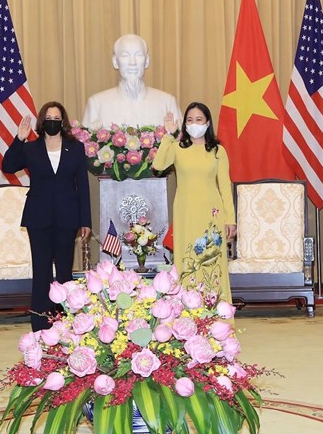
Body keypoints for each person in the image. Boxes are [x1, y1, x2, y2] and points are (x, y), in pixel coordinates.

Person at [2, 101, 91, 331]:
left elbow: (83, 185)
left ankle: (65, 323)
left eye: (56, 118)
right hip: (38, 218)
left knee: (64, 272)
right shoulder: (31, 148)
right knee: (41, 272)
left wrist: (85, 221)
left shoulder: (75, 148)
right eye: (49, 118)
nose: (52, 122)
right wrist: (19, 139)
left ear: (63, 122)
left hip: (67, 218)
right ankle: (40, 326)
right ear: (42, 121)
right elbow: (8, 166)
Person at [154, 103, 236, 302]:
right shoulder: (177, 148)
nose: (194, 124)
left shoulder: (217, 151)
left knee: (211, 260)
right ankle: (187, 309)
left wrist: (230, 219)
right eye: (190, 120)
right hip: (186, 212)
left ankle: (216, 308)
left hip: (212, 214)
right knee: (187, 258)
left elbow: (225, 186)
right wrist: (168, 135)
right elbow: (158, 165)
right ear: (184, 124)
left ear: (207, 123)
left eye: (199, 119)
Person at [81, 34, 182, 128]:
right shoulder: (97, 104)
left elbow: (179, 139)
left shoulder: (167, 102)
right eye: (125, 55)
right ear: (115, 62)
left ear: (147, 61)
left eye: (139, 55)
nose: (132, 62)